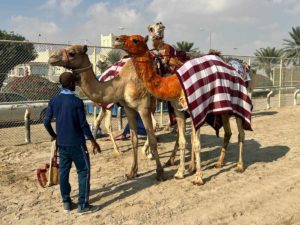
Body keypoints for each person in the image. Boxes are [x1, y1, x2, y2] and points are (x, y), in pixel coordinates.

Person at [44, 72, 101, 214]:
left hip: (62, 143)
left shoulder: (54, 101)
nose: (75, 84)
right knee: (84, 171)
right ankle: (83, 205)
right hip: (77, 144)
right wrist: (93, 141)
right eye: (74, 83)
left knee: (64, 172)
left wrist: (54, 136)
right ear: (70, 84)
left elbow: (46, 122)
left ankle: (66, 202)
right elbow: (83, 125)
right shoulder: (77, 102)